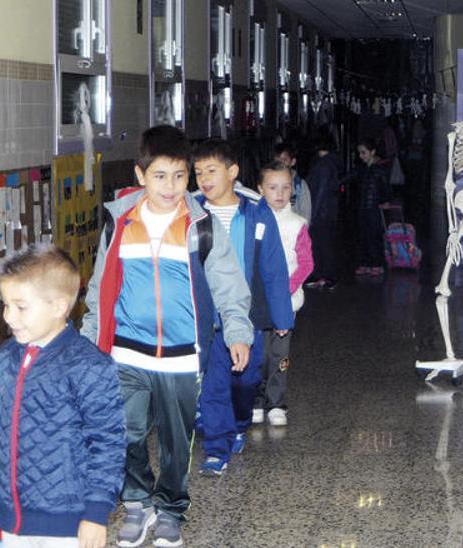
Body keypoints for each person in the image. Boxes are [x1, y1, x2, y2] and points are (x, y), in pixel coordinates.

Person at [81, 125, 253, 548]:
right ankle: (138, 503)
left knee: (178, 441)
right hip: (127, 353)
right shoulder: (119, 224)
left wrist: (237, 330)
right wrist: (88, 344)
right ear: (141, 176)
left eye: (179, 176)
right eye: (160, 176)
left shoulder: (201, 226)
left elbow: (229, 284)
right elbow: (100, 288)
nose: (171, 187)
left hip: (180, 356)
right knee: (125, 433)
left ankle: (172, 506)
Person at [0, 244, 126, 548]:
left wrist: (96, 514)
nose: (9, 317)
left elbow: (109, 443)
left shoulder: (88, 365)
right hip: (13, 514)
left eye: (20, 306)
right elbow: (3, 417)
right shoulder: (7, 357)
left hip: (66, 520)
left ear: (58, 306)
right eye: (5, 305)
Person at [191, 138, 294, 476]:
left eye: (212, 170)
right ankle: (217, 448)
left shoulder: (255, 211)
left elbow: (274, 267)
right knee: (213, 383)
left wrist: (282, 317)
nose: (204, 178)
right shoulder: (191, 211)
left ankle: (237, 422)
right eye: (198, 172)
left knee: (246, 380)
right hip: (208, 316)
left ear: (232, 172)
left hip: (247, 316)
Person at [253, 160, 314, 426]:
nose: (279, 193)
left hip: (285, 302)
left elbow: (306, 263)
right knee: (256, 354)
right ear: (260, 190)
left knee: (279, 355)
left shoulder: (298, 224)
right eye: (273, 187)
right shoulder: (252, 219)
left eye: (285, 187)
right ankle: (254, 400)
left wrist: (285, 289)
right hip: (255, 302)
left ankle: (276, 402)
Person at [303, 135, 342, 291]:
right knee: (323, 243)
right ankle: (322, 274)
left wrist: (313, 212)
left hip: (322, 212)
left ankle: (327, 275)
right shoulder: (331, 162)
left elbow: (320, 192)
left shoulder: (322, 165)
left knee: (322, 244)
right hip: (328, 210)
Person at [348, 139, 391, 278]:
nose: (361, 156)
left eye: (363, 153)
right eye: (359, 153)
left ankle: (377, 264)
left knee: (374, 236)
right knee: (363, 236)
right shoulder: (362, 169)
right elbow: (349, 178)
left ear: (372, 152)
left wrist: (386, 201)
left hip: (374, 208)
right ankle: (366, 263)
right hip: (362, 207)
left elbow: (386, 187)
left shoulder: (379, 169)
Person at [272, 142, 312, 223]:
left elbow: (306, 215)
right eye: (277, 159)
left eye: (284, 160)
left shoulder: (300, 185)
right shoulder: (268, 183)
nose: (280, 163)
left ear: (293, 162)